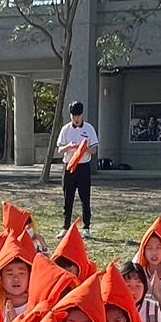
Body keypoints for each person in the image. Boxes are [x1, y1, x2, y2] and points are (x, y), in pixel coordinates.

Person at [56, 101, 98, 238]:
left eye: (78, 116)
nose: (76, 119)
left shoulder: (89, 129)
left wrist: (85, 148)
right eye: (73, 116)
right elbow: (60, 149)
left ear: (82, 115)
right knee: (68, 198)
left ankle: (86, 227)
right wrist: (68, 146)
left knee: (85, 198)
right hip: (69, 167)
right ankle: (65, 226)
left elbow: (94, 149)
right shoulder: (65, 129)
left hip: (83, 167)